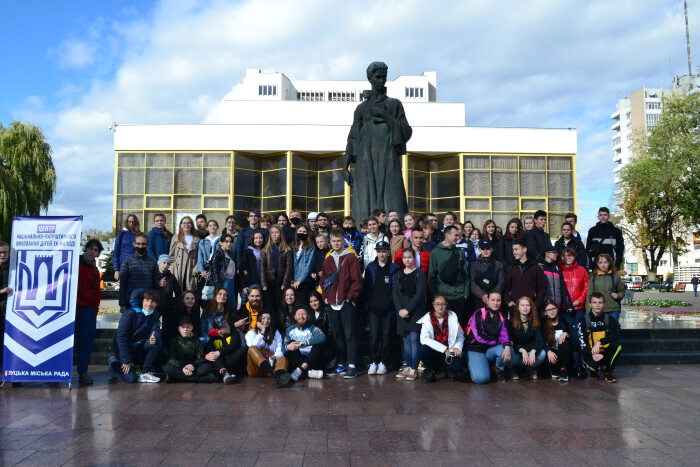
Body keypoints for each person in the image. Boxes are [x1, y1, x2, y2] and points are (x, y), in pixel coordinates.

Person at [322, 228, 363, 378]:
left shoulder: (351, 258)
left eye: (338, 240)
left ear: (343, 241)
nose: (336, 243)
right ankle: (341, 363)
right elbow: (324, 281)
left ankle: (351, 365)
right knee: (337, 334)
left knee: (349, 334)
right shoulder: (328, 260)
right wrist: (325, 296)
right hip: (332, 302)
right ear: (330, 242)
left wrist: (350, 298)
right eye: (333, 241)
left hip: (346, 302)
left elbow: (357, 281)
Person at [109, 289, 162, 383]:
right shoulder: (130, 313)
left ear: (156, 304)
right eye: (147, 300)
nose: (149, 304)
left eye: (153, 301)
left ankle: (145, 373)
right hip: (125, 347)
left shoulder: (155, 314)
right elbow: (121, 338)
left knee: (156, 343)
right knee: (131, 378)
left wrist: (155, 337)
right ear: (142, 301)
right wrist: (126, 360)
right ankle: (113, 363)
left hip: (139, 344)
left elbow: (156, 329)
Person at [363, 240, 399, 375]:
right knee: (373, 336)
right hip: (373, 309)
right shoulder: (371, 267)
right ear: (376, 252)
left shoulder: (394, 268)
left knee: (386, 336)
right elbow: (366, 288)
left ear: (389, 252)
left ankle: (383, 362)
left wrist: (388, 304)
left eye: (384, 251)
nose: (382, 254)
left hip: (389, 310)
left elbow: (395, 290)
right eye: (379, 251)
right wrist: (370, 304)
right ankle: (373, 362)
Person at [393, 248, 426, 381]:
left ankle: (414, 367)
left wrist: (408, 310)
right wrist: (400, 310)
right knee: (405, 340)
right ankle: (408, 365)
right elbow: (395, 294)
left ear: (414, 259)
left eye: (410, 257)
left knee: (414, 340)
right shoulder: (399, 274)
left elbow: (419, 295)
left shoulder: (420, 274)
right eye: (405, 257)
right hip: (401, 312)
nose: (407, 260)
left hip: (415, 311)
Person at [464, 291, 512, 383]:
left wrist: (507, 346)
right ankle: (473, 367)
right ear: (487, 301)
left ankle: (498, 369)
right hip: (475, 349)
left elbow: (504, 334)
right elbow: (479, 336)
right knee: (481, 379)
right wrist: (498, 342)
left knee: (508, 350)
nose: (495, 303)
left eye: (498, 300)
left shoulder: (502, 316)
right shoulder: (479, 314)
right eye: (493, 300)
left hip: (490, 349)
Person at [427, 225, 470, 327]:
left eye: (458, 235)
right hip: (442, 296)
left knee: (459, 326)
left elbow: (465, 274)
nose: (458, 237)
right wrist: (435, 295)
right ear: (447, 235)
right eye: (455, 235)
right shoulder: (435, 253)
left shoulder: (461, 252)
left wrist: (465, 293)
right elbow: (431, 276)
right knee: (442, 327)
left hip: (459, 296)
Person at [75, 239, 103, 385]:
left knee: (85, 342)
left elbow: (97, 293)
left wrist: (94, 311)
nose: (93, 252)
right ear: (85, 249)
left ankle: (82, 372)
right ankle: (58, 370)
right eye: (91, 249)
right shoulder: (74, 263)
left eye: (96, 250)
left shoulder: (95, 270)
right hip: (71, 309)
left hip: (86, 310)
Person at [418, 294, 464, 383]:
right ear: (433, 304)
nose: (440, 307)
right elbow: (424, 339)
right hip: (435, 352)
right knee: (423, 349)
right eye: (437, 304)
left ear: (446, 304)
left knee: (456, 367)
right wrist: (443, 349)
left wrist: (457, 347)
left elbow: (460, 335)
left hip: (450, 350)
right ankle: (430, 372)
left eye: (443, 304)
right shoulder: (427, 319)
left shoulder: (453, 317)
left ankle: (449, 370)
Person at [559, 247, 590, 379]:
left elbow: (586, 286)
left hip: (579, 308)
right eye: (566, 256)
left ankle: (580, 366)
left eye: (571, 256)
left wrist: (580, 300)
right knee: (567, 337)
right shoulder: (559, 270)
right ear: (562, 257)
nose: (568, 258)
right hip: (564, 308)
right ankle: (569, 367)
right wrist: (567, 304)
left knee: (577, 337)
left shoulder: (581, 270)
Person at [579, 293, 622, 383]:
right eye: (594, 302)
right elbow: (582, 342)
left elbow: (616, 335)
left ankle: (608, 372)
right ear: (590, 304)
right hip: (591, 353)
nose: (597, 305)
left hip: (604, 353)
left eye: (600, 302)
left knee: (617, 346)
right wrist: (592, 353)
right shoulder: (583, 320)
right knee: (591, 364)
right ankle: (593, 371)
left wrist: (600, 342)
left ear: (604, 304)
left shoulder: (609, 319)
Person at [118, 233, 164, 313]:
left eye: (143, 244)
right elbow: (122, 285)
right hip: (131, 302)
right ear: (134, 244)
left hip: (148, 302)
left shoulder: (152, 262)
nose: (140, 246)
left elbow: (155, 283)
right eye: (138, 244)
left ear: (147, 245)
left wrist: (159, 284)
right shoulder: (127, 262)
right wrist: (122, 304)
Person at [245, 310, 292, 388]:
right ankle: (275, 375)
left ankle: (279, 378)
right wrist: (262, 332)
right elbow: (253, 347)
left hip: (271, 366)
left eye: (269, 319)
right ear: (259, 319)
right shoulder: (250, 333)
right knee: (252, 348)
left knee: (283, 358)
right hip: (256, 370)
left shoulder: (276, 333)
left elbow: (279, 349)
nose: (266, 321)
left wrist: (275, 357)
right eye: (263, 318)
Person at [164, 315, 215, 383]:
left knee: (207, 367)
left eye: (188, 327)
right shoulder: (174, 341)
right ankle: (200, 379)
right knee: (167, 368)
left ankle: (176, 378)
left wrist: (193, 365)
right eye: (183, 327)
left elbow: (201, 358)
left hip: (194, 366)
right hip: (179, 366)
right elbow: (170, 358)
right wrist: (183, 367)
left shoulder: (197, 341)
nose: (185, 329)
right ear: (179, 329)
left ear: (191, 328)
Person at [506, 297, 545, 380]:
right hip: (517, 353)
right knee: (509, 353)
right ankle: (511, 369)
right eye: (522, 305)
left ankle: (529, 367)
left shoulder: (535, 321)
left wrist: (533, 351)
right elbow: (511, 341)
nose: (525, 307)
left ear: (531, 308)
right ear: (518, 308)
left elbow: (539, 340)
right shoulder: (511, 322)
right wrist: (521, 350)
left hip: (529, 352)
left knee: (542, 354)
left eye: (527, 305)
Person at [504, 241, 547, 317]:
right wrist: (508, 301)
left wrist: (535, 305)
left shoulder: (536, 268)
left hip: (532, 309)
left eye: (516, 249)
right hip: (514, 309)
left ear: (524, 250)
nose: (514, 252)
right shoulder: (510, 268)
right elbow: (506, 288)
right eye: (513, 250)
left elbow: (542, 288)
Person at [284, 304, 327, 380]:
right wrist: (288, 346)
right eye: (299, 314)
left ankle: (300, 370)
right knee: (290, 344)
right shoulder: (290, 329)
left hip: (311, 358)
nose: (301, 316)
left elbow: (322, 337)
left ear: (308, 316)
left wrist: (304, 343)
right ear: (295, 317)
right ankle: (309, 373)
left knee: (319, 344)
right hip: (297, 358)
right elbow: (284, 345)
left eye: (303, 314)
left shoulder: (312, 328)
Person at [260, 225, 293, 312]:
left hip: (280, 282)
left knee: (280, 305)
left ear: (280, 234)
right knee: (269, 305)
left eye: (277, 232)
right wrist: (263, 283)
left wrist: (284, 283)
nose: (274, 235)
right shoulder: (265, 250)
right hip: (268, 282)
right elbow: (262, 267)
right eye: (272, 233)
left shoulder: (287, 249)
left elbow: (288, 268)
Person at [469, 239, 505, 318]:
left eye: (488, 248)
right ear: (479, 249)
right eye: (483, 248)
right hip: (479, 298)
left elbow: (501, 281)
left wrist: (492, 296)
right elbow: (472, 282)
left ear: (492, 249)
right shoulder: (474, 264)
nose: (485, 251)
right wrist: (483, 295)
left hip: (495, 298)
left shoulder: (499, 264)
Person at [204, 315, 246, 383]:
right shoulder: (213, 338)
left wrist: (219, 352)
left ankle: (221, 372)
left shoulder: (234, 333)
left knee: (244, 349)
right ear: (218, 330)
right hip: (221, 363)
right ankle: (224, 373)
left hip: (234, 362)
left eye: (227, 325)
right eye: (224, 327)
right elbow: (208, 350)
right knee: (213, 354)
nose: (228, 327)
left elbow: (233, 346)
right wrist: (207, 356)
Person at [586, 253, 625, 322]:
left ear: (609, 263)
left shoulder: (615, 277)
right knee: (599, 332)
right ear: (597, 264)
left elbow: (622, 291)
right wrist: (589, 311)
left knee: (613, 331)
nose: (603, 265)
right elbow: (589, 295)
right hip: (598, 310)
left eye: (605, 262)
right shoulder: (593, 278)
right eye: (600, 262)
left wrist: (617, 295)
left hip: (613, 309)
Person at [542, 299, 572, 381]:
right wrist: (548, 351)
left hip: (564, 354)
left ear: (557, 309)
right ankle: (554, 371)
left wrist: (566, 333)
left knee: (564, 341)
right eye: (549, 310)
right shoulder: (543, 324)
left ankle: (563, 370)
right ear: (545, 312)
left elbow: (573, 336)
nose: (551, 312)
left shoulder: (564, 320)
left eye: (553, 309)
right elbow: (540, 341)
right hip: (551, 354)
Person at [157, 254, 183, 349]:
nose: (165, 265)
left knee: (167, 331)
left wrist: (173, 302)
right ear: (159, 263)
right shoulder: (154, 275)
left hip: (167, 307)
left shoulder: (171, 277)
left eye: (168, 264)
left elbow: (179, 293)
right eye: (164, 263)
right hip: (155, 307)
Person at [169, 216, 200, 292]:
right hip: (178, 269)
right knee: (178, 291)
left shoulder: (197, 239)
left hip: (191, 268)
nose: (186, 225)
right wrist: (172, 267)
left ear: (192, 225)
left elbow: (200, 257)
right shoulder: (175, 238)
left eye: (188, 223)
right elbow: (171, 255)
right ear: (181, 225)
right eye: (184, 223)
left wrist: (196, 268)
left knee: (190, 292)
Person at [539, 244, 572, 313]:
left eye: (556, 253)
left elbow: (563, 288)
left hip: (557, 307)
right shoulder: (540, 267)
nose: (556, 254)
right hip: (545, 307)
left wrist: (568, 304)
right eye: (554, 252)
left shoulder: (556, 268)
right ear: (547, 254)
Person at [291, 224, 317, 305]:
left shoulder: (311, 247)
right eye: (300, 231)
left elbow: (309, 266)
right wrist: (291, 279)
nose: (302, 233)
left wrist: (299, 281)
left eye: (304, 232)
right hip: (293, 281)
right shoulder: (292, 246)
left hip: (305, 281)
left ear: (308, 233)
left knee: (303, 304)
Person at [308, 290, 335, 370]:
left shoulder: (327, 312)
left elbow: (330, 333)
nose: (314, 304)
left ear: (320, 300)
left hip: (326, 345)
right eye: (311, 301)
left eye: (316, 301)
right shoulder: (309, 314)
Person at [209, 233, 237, 309]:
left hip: (231, 281)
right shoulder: (218, 253)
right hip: (224, 281)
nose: (229, 244)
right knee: (226, 304)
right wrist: (219, 287)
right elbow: (215, 272)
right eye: (226, 241)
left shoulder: (229, 254)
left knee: (232, 303)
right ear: (221, 243)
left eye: (230, 242)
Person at [113, 214, 140, 282]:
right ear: (127, 222)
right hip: (124, 267)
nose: (131, 223)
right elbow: (116, 253)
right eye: (129, 221)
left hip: (137, 267)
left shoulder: (140, 235)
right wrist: (116, 270)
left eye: (133, 221)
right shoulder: (121, 235)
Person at [240, 230, 264, 300]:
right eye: (256, 238)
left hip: (262, 283)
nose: (258, 240)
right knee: (246, 304)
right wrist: (244, 285)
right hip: (250, 283)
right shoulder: (248, 252)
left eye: (260, 238)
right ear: (252, 239)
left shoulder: (265, 251)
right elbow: (242, 269)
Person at [0, 241, 12, 364]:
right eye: (0, 252)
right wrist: (2, 291)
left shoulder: (13, 269)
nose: (3, 254)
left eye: (5, 252)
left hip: (8, 313)